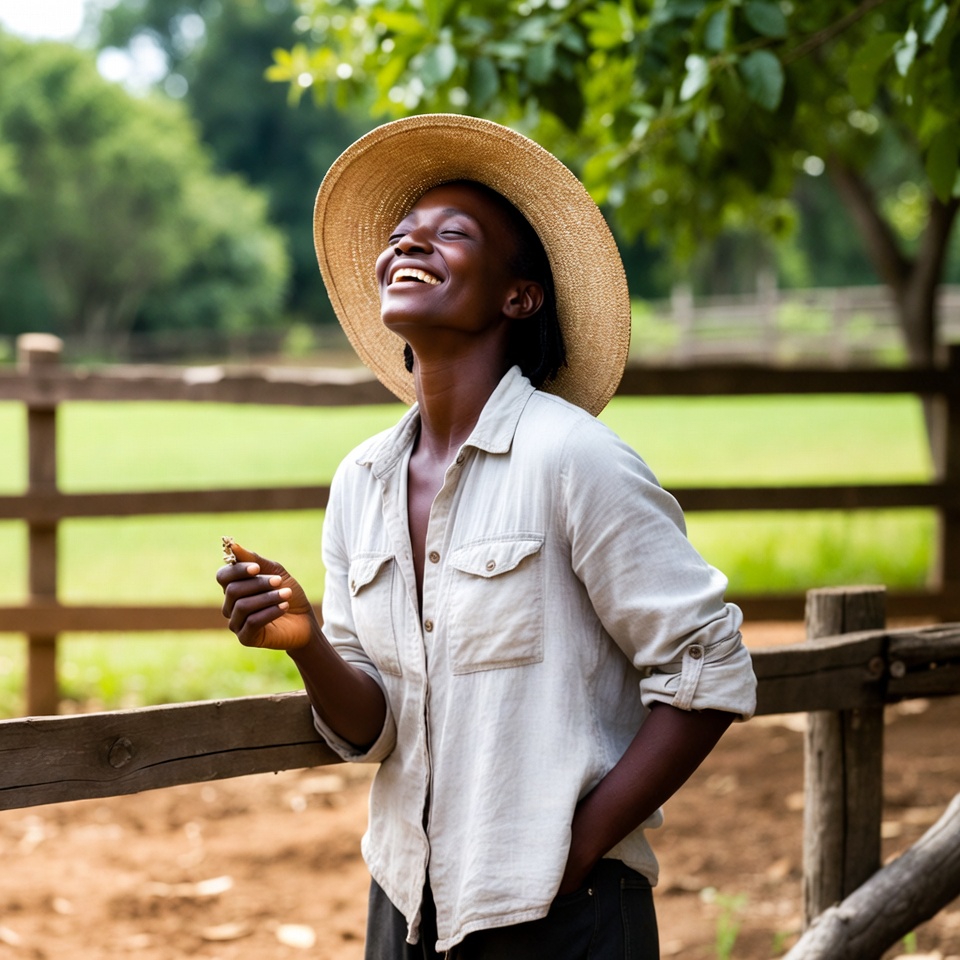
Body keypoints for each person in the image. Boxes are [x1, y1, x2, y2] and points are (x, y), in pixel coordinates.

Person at [217, 114, 757, 960]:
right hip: (406, 904)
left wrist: (574, 853)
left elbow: (709, 668)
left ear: (520, 296)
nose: (410, 247)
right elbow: (374, 729)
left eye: (449, 234)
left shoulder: (575, 459)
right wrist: (306, 641)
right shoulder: (361, 481)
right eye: (399, 236)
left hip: (566, 918)